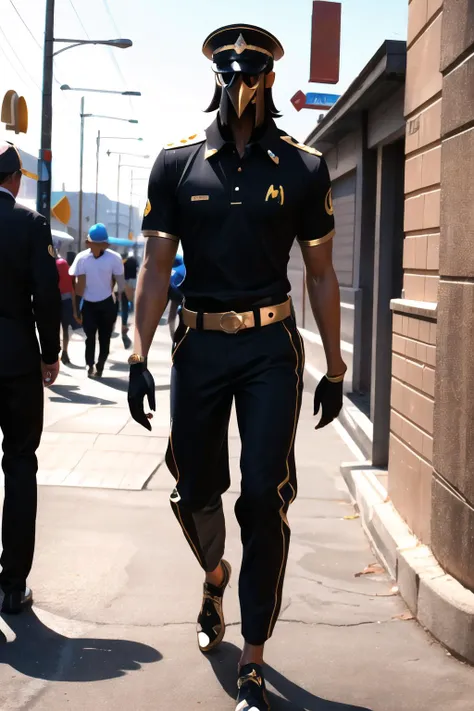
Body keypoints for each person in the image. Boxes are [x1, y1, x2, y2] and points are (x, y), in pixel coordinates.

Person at [128, 24, 346, 711]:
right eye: (229, 73)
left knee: (262, 495)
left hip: (269, 350)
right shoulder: (177, 164)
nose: (239, 83)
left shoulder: (303, 167)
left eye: (251, 72)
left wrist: (335, 364)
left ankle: (253, 654)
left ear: (269, 80)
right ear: (214, 80)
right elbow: (157, 268)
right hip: (198, 346)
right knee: (194, 490)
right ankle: (215, 572)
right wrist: (137, 353)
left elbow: (319, 275)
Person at [0, 141, 61, 614]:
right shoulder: (30, 224)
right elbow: (46, 294)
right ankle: (12, 585)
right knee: (20, 465)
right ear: (15, 180)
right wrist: (50, 353)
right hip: (17, 363)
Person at [69, 223, 131, 378]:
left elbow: (121, 286)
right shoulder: (82, 258)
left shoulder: (114, 259)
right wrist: (76, 310)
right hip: (89, 305)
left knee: (105, 338)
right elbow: (78, 286)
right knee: (89, 338)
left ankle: (100, 366)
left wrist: (124, 316)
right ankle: (90, 365)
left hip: (107, 304)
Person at [54, 240, 80, 364]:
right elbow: (71, 288)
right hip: (66, 300)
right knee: (65, 329)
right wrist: (75, 309)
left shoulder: (47, 264)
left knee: (53, 329)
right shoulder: (64, 264)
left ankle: (54, 354)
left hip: (52, 301)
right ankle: (65, 352)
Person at [120, 251, 139, 349]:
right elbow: (136, 270)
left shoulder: (123, 262)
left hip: (124, 282)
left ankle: (124, 323)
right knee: (130, 301)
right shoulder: (135, 261)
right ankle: (129, 311)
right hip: (132, 281)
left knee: (124, 305)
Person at [167, 253, 186, 339]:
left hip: (171, 289)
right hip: (180, 291)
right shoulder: (183, 268)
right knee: (182, 313)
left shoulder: (171, 270)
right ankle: (178, 335)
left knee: (172, 313)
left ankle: (172, 335)